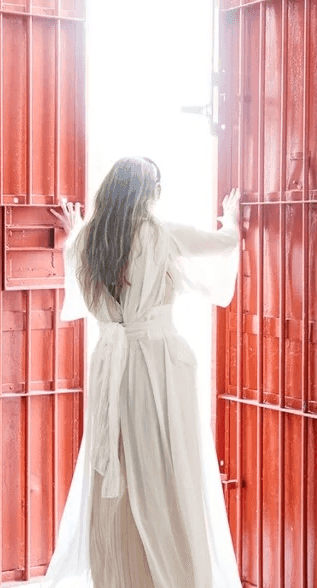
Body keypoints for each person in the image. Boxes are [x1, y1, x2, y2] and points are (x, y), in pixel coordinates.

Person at [41, 156, 243, 588]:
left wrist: (74, 228)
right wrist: (232, 220)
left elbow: (76, 267)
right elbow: (221, 248)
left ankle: (121, 575)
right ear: (149, 194)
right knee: (166, 464)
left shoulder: (88, 240)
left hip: (110, 367)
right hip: (157, 364)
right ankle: (175, 574)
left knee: (116, 460)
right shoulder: (160, 234)